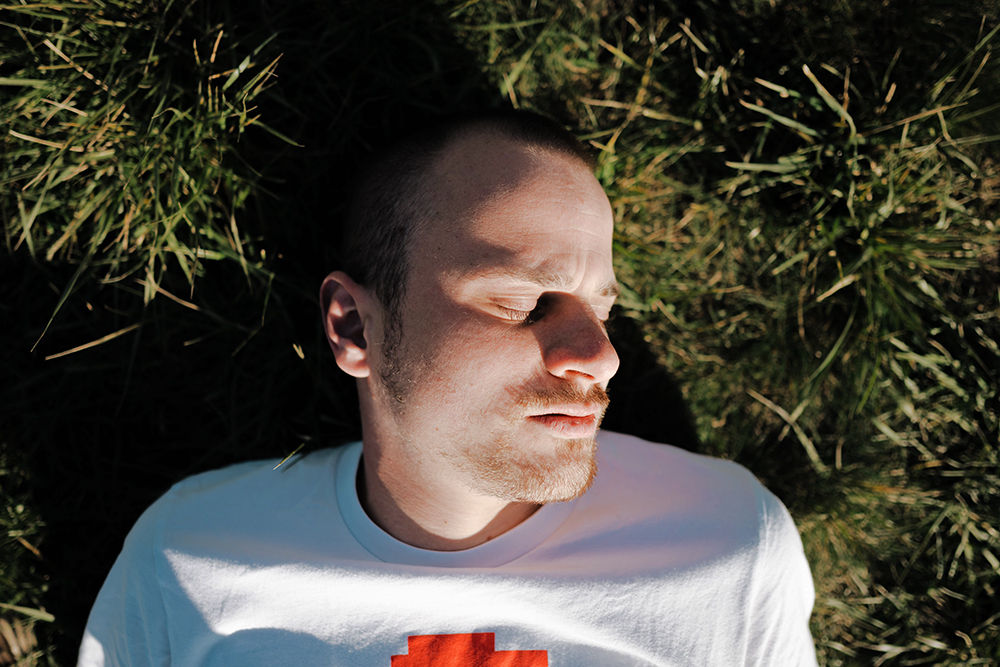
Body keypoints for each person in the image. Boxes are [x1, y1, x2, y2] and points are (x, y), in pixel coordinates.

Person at [78, 109, 818, 666]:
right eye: (525, 301)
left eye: (602, 310)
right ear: (355, 327)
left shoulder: (726, 545)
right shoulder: (193, 558)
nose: (600, 356)